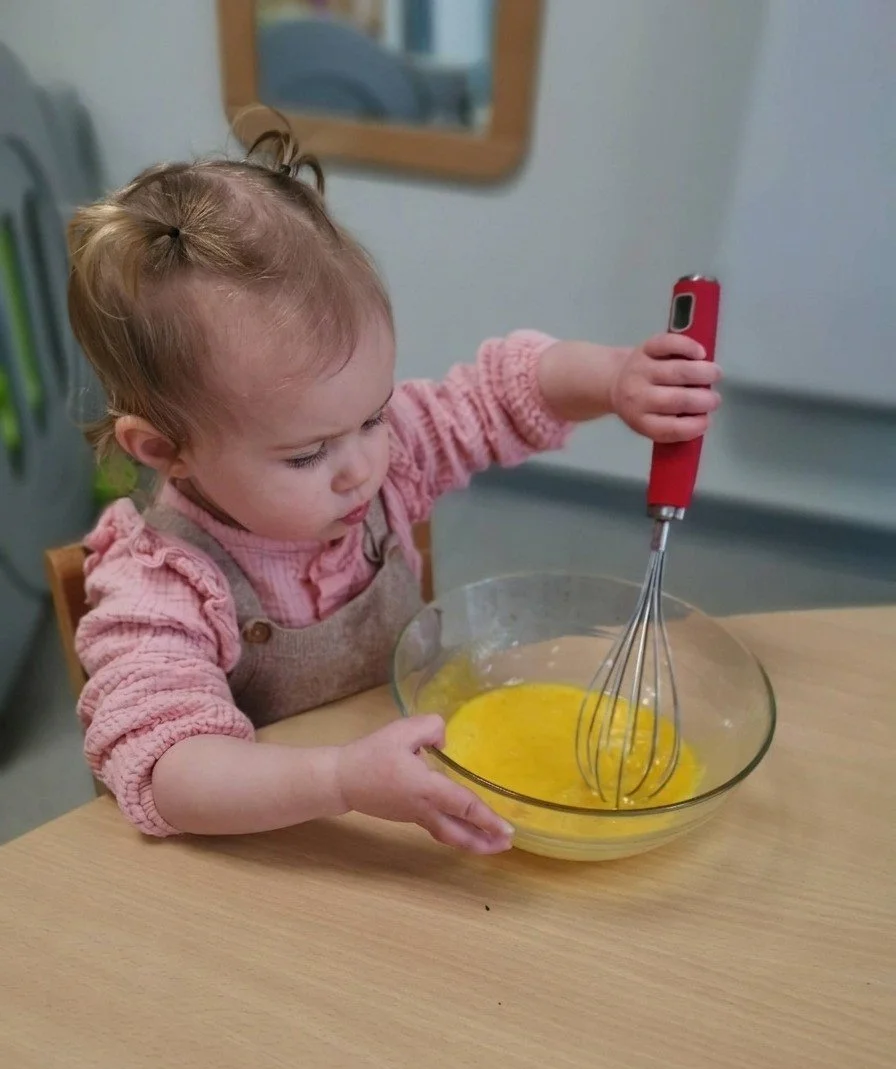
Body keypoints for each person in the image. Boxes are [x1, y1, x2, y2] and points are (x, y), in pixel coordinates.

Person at [69, 128, 720, 853]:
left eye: (372, 415)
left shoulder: (392, 454)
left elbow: (500, 394)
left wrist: (612, 377)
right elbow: (168, 771)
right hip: (292, 845)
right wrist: (341, 778)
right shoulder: (162, 585)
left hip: (427, 787)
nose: (362, 467)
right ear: (166, 450)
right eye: (307, 454)